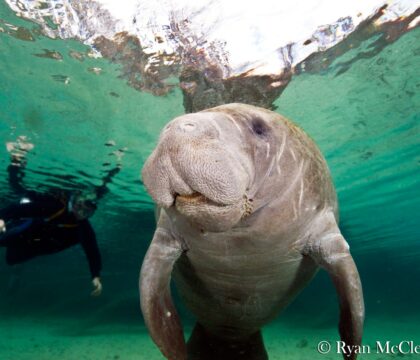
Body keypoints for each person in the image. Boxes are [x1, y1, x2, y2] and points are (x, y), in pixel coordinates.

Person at [0, 136, 122, 296]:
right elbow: (18, 208)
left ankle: (17, 269)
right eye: (80, 207)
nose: (82, 213)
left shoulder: (84, 228)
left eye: (88, 211)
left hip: (41, 245)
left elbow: (92, 252)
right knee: (19, 192)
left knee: (12, 259)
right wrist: (2, 217)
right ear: (74, 202)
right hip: (29, 232)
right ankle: (16, 160)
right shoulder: (55, 206)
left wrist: (96, 276)